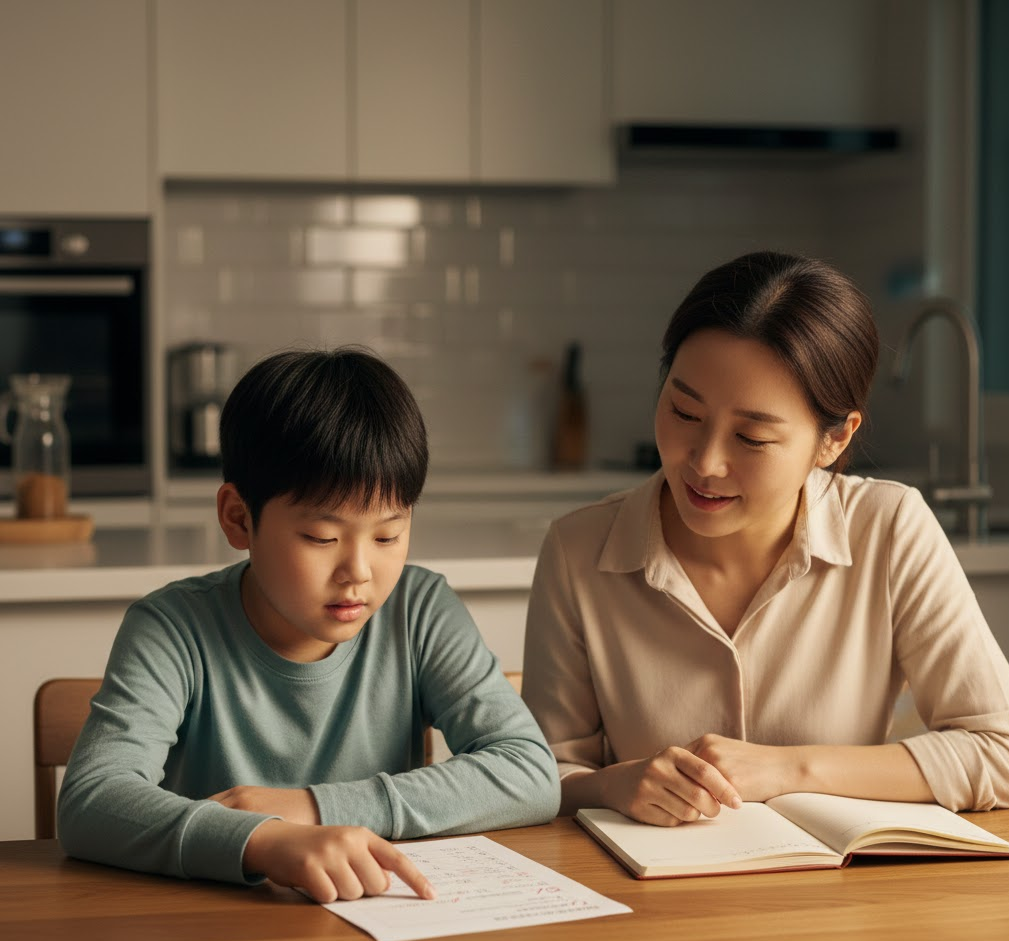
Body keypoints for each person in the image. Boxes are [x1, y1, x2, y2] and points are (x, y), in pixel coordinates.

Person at [521, 251, 1009, 827]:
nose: (705, 462)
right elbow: (536, 776)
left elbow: (997, 750)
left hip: (843, 904)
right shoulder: (577, 551)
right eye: (683, 411)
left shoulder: (891, 528)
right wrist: (612, 784)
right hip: (649, 903)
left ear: (833, 440)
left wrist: (791, 770)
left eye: (751, 438)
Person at [59, 346, 560, 902]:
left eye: (388, 535)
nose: (359, 572)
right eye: (322, 538)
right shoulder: (171, 629)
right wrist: (262, 840)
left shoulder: (420, 610)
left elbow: (528, 772)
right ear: (238, 518)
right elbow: (92, 799)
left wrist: (313, 807)